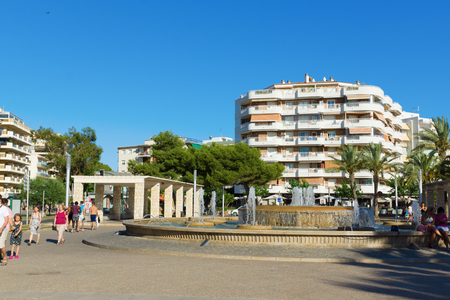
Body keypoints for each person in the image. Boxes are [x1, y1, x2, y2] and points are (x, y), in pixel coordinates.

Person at [0, 198, 11, 266]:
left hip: (2, 229)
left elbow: (6, 220)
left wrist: (1, 228)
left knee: (1, 245)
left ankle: (4, 256)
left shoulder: (4, 208)